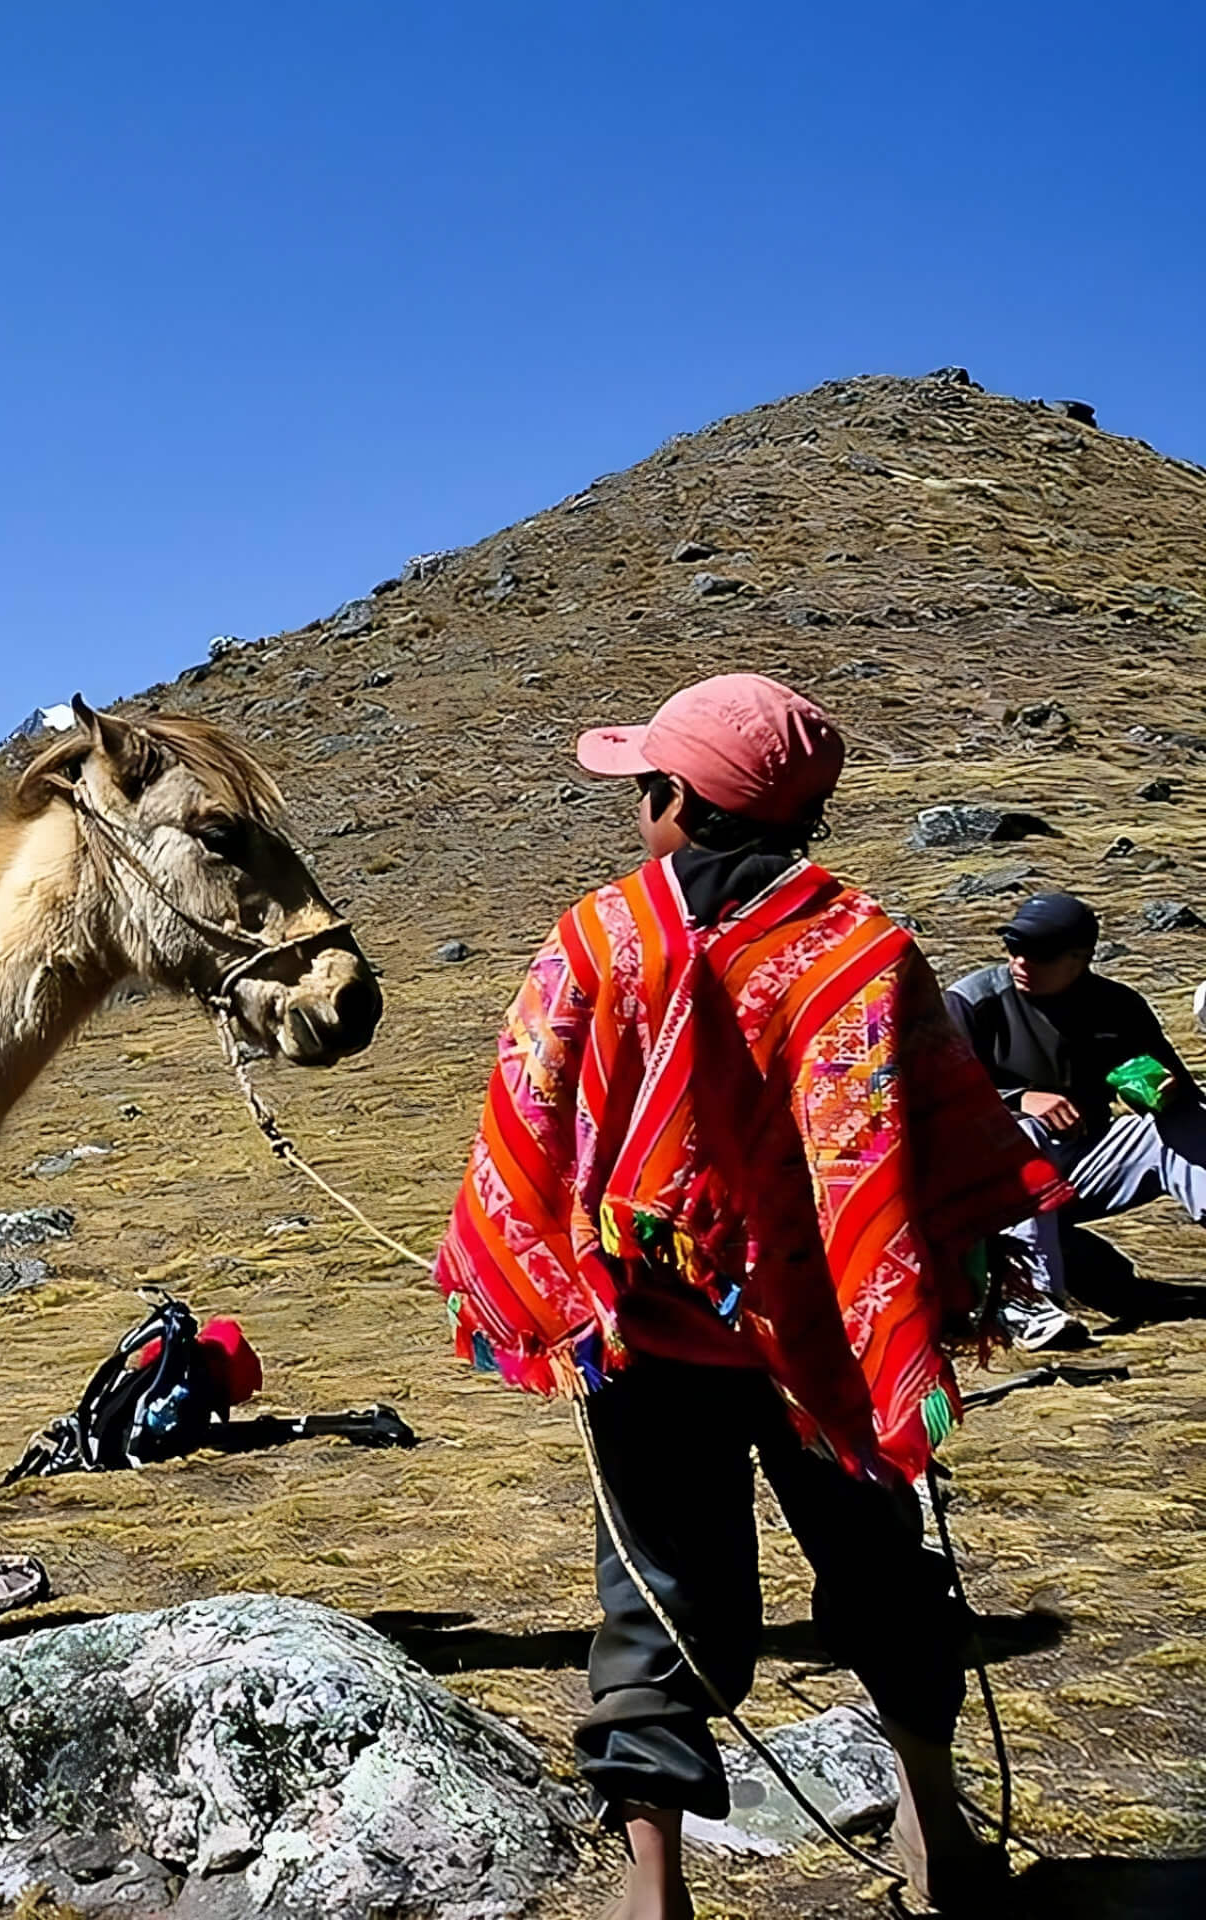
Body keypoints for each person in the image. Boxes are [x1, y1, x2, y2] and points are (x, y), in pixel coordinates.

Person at [433, 673, 1064, 1920]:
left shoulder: (602, 938)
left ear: (673, 800)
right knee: (886, 1577)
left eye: (643, 788)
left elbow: (533, 1126)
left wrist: (552, 1280)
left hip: (653, 1341)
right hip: (835, 1341)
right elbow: (935, 1136)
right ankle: (938, 1832)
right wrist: (929, 1284)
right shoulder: (867, 947)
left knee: (655, 1592)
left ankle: (650, 1886)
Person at [946, 891, 1206, 1347]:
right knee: (1022, 1131)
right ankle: (1032, 1301)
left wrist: (1159, 1090)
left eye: (1039, 954)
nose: (1021, 961)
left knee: (1185, 1123)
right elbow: (932, 1097)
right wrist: (1018, 1098)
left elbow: (1171, 1090)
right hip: (984, 1183)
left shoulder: (1118, 1005)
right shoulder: (972, 1002)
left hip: (1086, 1160)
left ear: (1081, 958)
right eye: (1013, 948)